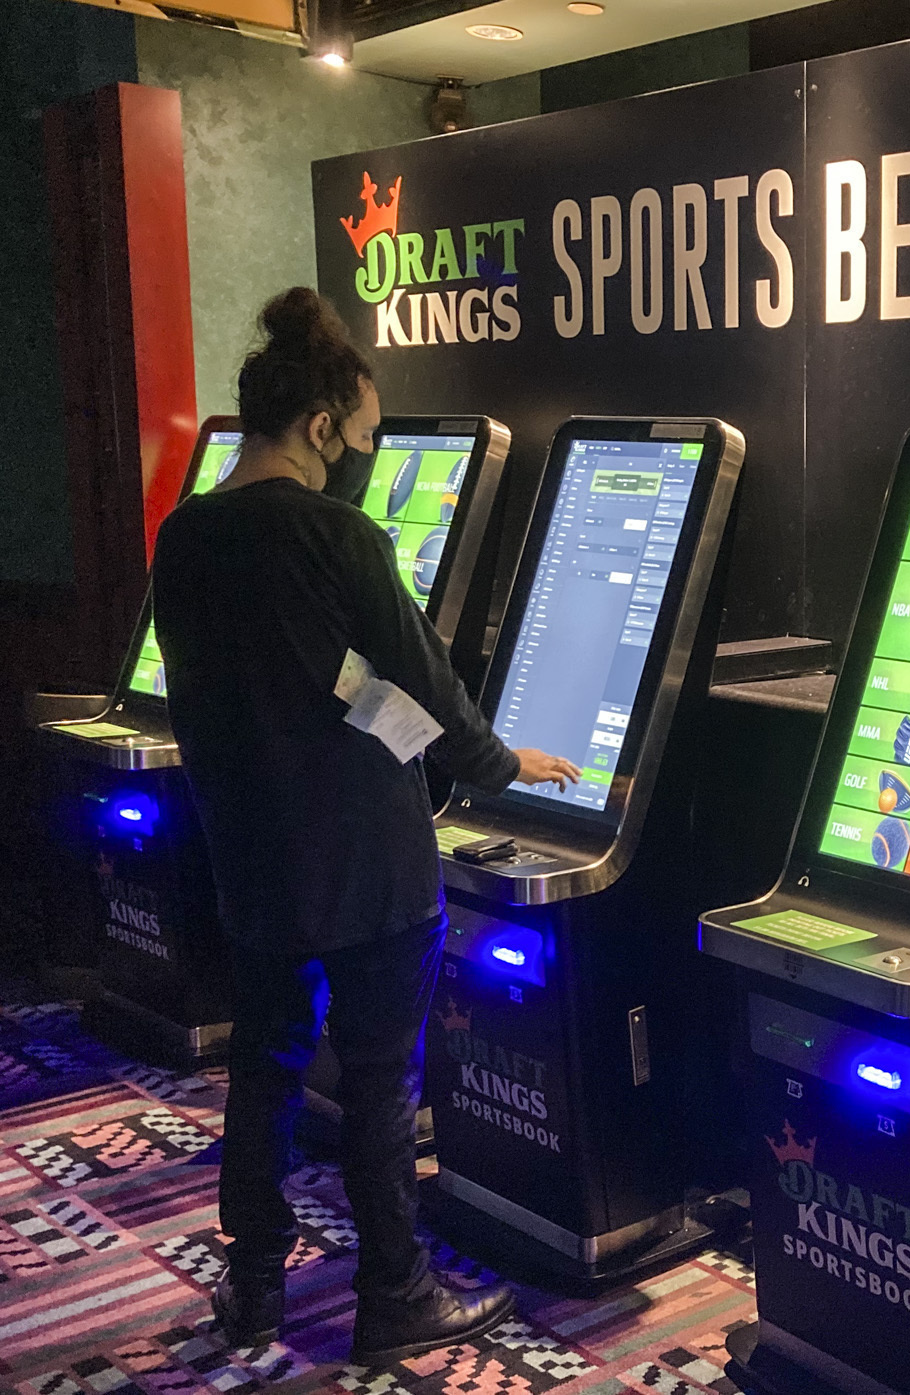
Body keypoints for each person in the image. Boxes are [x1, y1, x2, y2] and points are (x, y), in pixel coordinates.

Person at [152, 288, 581, 1364]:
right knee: (384, 1079)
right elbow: (417, 681)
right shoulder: (337, 534)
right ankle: (396, 1294)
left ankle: (251, 1288)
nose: (365, 452)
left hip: (251, 861)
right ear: (322, 423)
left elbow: (289, 680)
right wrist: (497, 765)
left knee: (264, 1066)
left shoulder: (185, 535)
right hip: (369, 867)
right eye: (366, 433)